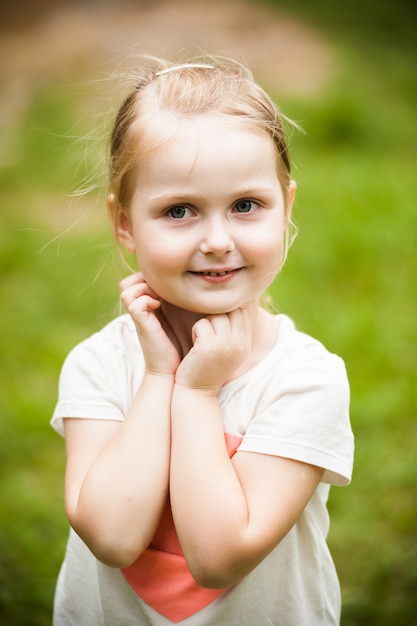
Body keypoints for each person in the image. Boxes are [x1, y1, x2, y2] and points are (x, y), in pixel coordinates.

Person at [51, 56, 354, 626]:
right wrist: (161, 376)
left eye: (246, 205)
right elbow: (113, 539)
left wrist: (195, 393)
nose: (217, 240)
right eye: (179, 210)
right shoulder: (98, 365)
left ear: (286, 206)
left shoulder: (305, 379)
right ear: (124, 224)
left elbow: (218, 559)